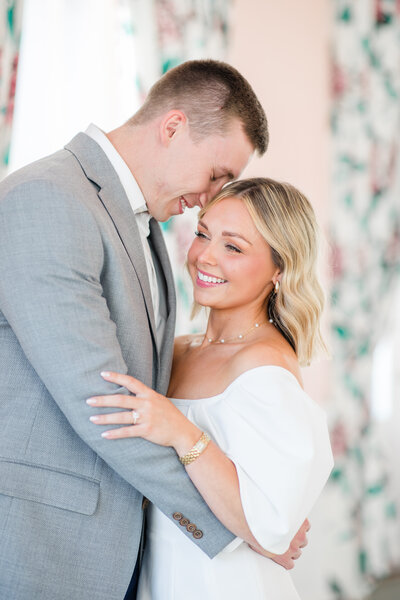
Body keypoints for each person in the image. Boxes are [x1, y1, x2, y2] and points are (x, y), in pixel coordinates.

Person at [0, 61, 305, 600]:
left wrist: (255, 512)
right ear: (173, 127)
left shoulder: (141, 223)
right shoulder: (50, 198)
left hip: (127, 558)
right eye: (216, 175)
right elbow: (105, 404)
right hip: (42, 547)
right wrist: (241, 528)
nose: (211, 196)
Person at [87, 177, 334, 600]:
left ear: (280, 268)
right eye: (203, 233)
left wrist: (181, 431)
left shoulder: (264, 368)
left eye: (233, 247)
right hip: (152, 573)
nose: (205, 256)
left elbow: (270, 526)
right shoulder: (174, 348)